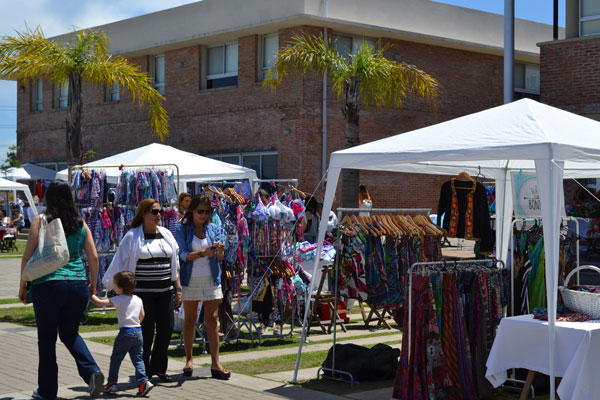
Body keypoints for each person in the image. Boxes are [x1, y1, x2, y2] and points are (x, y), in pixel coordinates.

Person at [18, 181, 105, 400]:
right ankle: (92, 371)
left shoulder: (41, 220)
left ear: (49, 198)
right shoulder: (80, 223)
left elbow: (27, 256)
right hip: (77, 285)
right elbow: (94, 257)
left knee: (46, 340)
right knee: (69, 333)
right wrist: (93, 285)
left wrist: (23, 285)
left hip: (47, 285)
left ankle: (47, 392)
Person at [102, 199, 181, 383]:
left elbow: (175, 264)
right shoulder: (132, 236)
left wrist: (178, 289)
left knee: (166, 330)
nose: (158, 215)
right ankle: (144, 373)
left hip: (165, 292)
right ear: (144, 213)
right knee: (145, 332)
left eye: (160, 211)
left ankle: (159, 369)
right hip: (142, 294)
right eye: (154, 211)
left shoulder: (167, 234)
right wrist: (117, 289)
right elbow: (120, 263)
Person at [175, 195, 230, 380]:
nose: (204, 215)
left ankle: (216, 363)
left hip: (211, 278)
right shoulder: (182, 228)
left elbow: (219, 258)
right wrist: (202, 253)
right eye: (200, 211)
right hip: (190, 279)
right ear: (192, 211)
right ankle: (189, 360)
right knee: (190, 320)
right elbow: (182, 255)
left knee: (213, 320)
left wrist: (219, 252)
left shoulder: (213, 229)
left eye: (207, 211)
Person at [90, 271, 154, 397]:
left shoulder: (118, 299)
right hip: (138, 332)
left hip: (125, 332)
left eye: (114, 284)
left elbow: (99, 302)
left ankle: (112, 383)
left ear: (119, 287)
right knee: (138, 359)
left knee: (116, 359)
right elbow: (142, 315)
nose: (114, 286)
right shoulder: (138, 299)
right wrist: (135, 323)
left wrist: (90, 293)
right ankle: (144, 381)